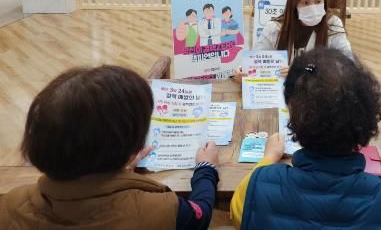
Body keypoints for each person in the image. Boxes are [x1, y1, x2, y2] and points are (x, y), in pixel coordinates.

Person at [0, 66, 220, 230]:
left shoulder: (10, 205)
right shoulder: (160, 210)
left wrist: (118, 168)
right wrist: (206, 168)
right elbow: (199, 215)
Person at [230, 48, 381, 230]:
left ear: (294, 117)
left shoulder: (252, 190)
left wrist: (269, 157)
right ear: (368, 120)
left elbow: (240, 214)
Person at [234, 0, 351, 82]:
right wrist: (243, 70)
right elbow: (257, 60)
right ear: (294, 4)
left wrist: (304, 70)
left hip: (320, 92)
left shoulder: (333, 24)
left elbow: (347, 63)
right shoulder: (274, 28)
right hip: (280, 93)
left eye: (318, 1)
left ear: (324, 1)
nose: (313, 7)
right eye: (305, 2)